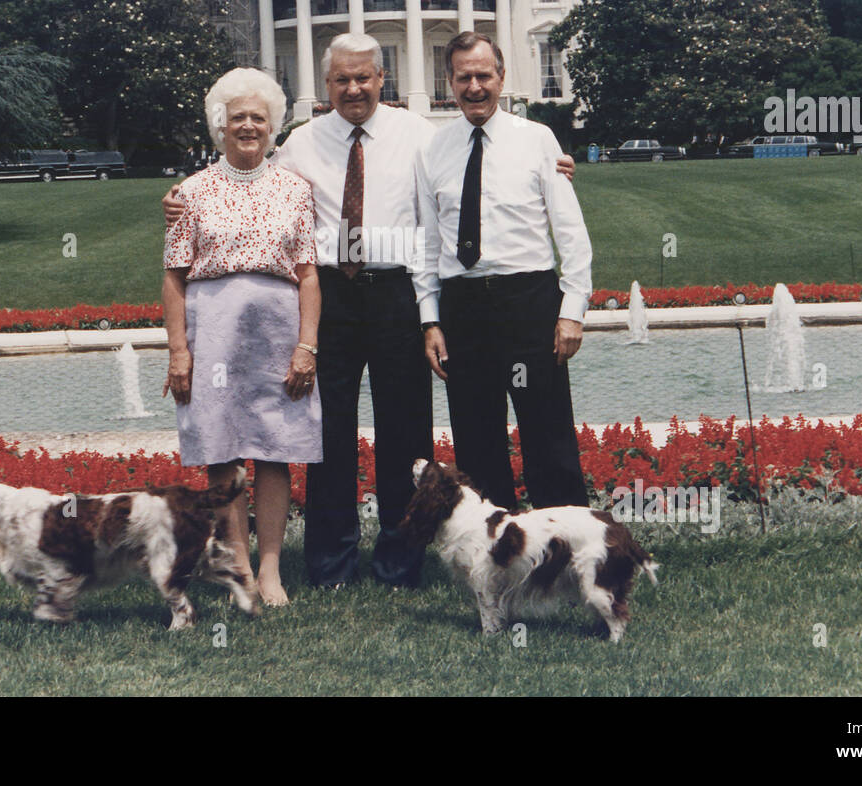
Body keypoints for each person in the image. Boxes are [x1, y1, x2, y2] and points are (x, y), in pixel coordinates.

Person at [164, 34, 577, 588]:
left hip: (396, 292)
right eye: (341, 80)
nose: (354, 89)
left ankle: (400, 561)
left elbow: (477, 162)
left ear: (383, 79)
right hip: (328, 295)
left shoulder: (422, 136)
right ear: (326, 84)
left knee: (405, 430)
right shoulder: (300, 143)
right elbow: (245, 169)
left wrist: (555, 164)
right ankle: (331, 563)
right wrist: (181, 195)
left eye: (364, 78)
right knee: (326, 431)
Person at [161, 67, 321, 607]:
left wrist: (307, 345)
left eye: (258, 117)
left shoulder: (295, 190)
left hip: (277, 330)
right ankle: (239, 571)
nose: (248, 126)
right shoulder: (190, 193)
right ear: (220, 127)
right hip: (215, 333)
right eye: (237, 118)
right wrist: (179, 350)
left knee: (276, 448)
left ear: (273, 126)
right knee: (223, 449)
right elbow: (174, 277)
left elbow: (308, 274)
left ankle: (272, 568)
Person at [414, 31, 593, 510]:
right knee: (476, 440)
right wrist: (430, 319)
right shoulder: (433, 150)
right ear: (448, 81)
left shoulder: (537, 140)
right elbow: (428, 243)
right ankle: (496, 557)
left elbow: (571, 232)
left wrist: (572, 311)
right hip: (463, 307)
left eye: (483, 76)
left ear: (502, 77)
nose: (475, 87)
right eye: (463, 77)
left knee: (547, 434)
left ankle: (568, 548)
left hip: (528, 302)